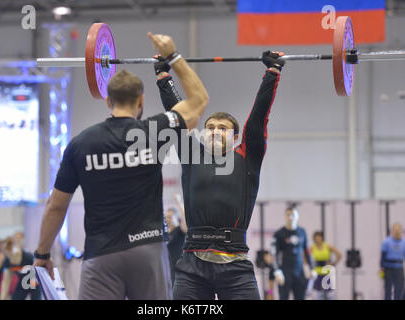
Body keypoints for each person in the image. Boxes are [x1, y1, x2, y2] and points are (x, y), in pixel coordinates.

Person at [33, 32, 209, 300]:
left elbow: (56, 206)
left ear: (107, 100)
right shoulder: (154, 131)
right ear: (140, 101)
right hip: (147, 251)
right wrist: (173, 55)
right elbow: (198, 102)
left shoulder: (81, 144)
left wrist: (42, 254)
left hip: (101, 256)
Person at [154, 51, 284, 299]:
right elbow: (178, 116)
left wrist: (272, 73)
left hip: (235, 266)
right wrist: (163, 76)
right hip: (191, 265)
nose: (214, 132)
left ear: (235, 138)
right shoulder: (192, 155)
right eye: (210, 128)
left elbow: (258, 118)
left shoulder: (247, 157)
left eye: (222, 129)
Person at [270, 207, 316, 300]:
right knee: (283, 297)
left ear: (297, 216)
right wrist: (277, 272)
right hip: (285, 272)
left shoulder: (302, 232)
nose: (290, 217)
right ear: (285, 216)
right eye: (288, 215)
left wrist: (311, 268)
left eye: (293, 215)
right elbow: (274, 254)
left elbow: (307, 251)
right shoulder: (279, 233)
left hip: (299, 272)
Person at [310, 231, 342, 300]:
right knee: (318, 295)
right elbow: (304, 256)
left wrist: (333, 263)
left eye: (319, 237)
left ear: (321, 238)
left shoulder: (327, 246)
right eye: (316, 238)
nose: (318, 239)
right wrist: (310, 266)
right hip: (317, 273)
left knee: (330, 294)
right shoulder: (312, 248)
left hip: (327, 273)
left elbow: (339, 255)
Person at [165, 194, 188, 286]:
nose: (167, 219)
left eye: (170, 217)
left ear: (176, 218)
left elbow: (186, 223)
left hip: (178, 271)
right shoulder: (164, 233)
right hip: (167, 270)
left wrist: (179, 202)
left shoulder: (179, 231)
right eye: (166, 217)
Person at [380, 222, 405, 300]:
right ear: (392, 231)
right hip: (388, 267)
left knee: (399, 289)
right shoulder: (387, 242)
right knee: (388, 288)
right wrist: (381, 268)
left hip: (399, 267)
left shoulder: (403, 242)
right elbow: (383, 256)